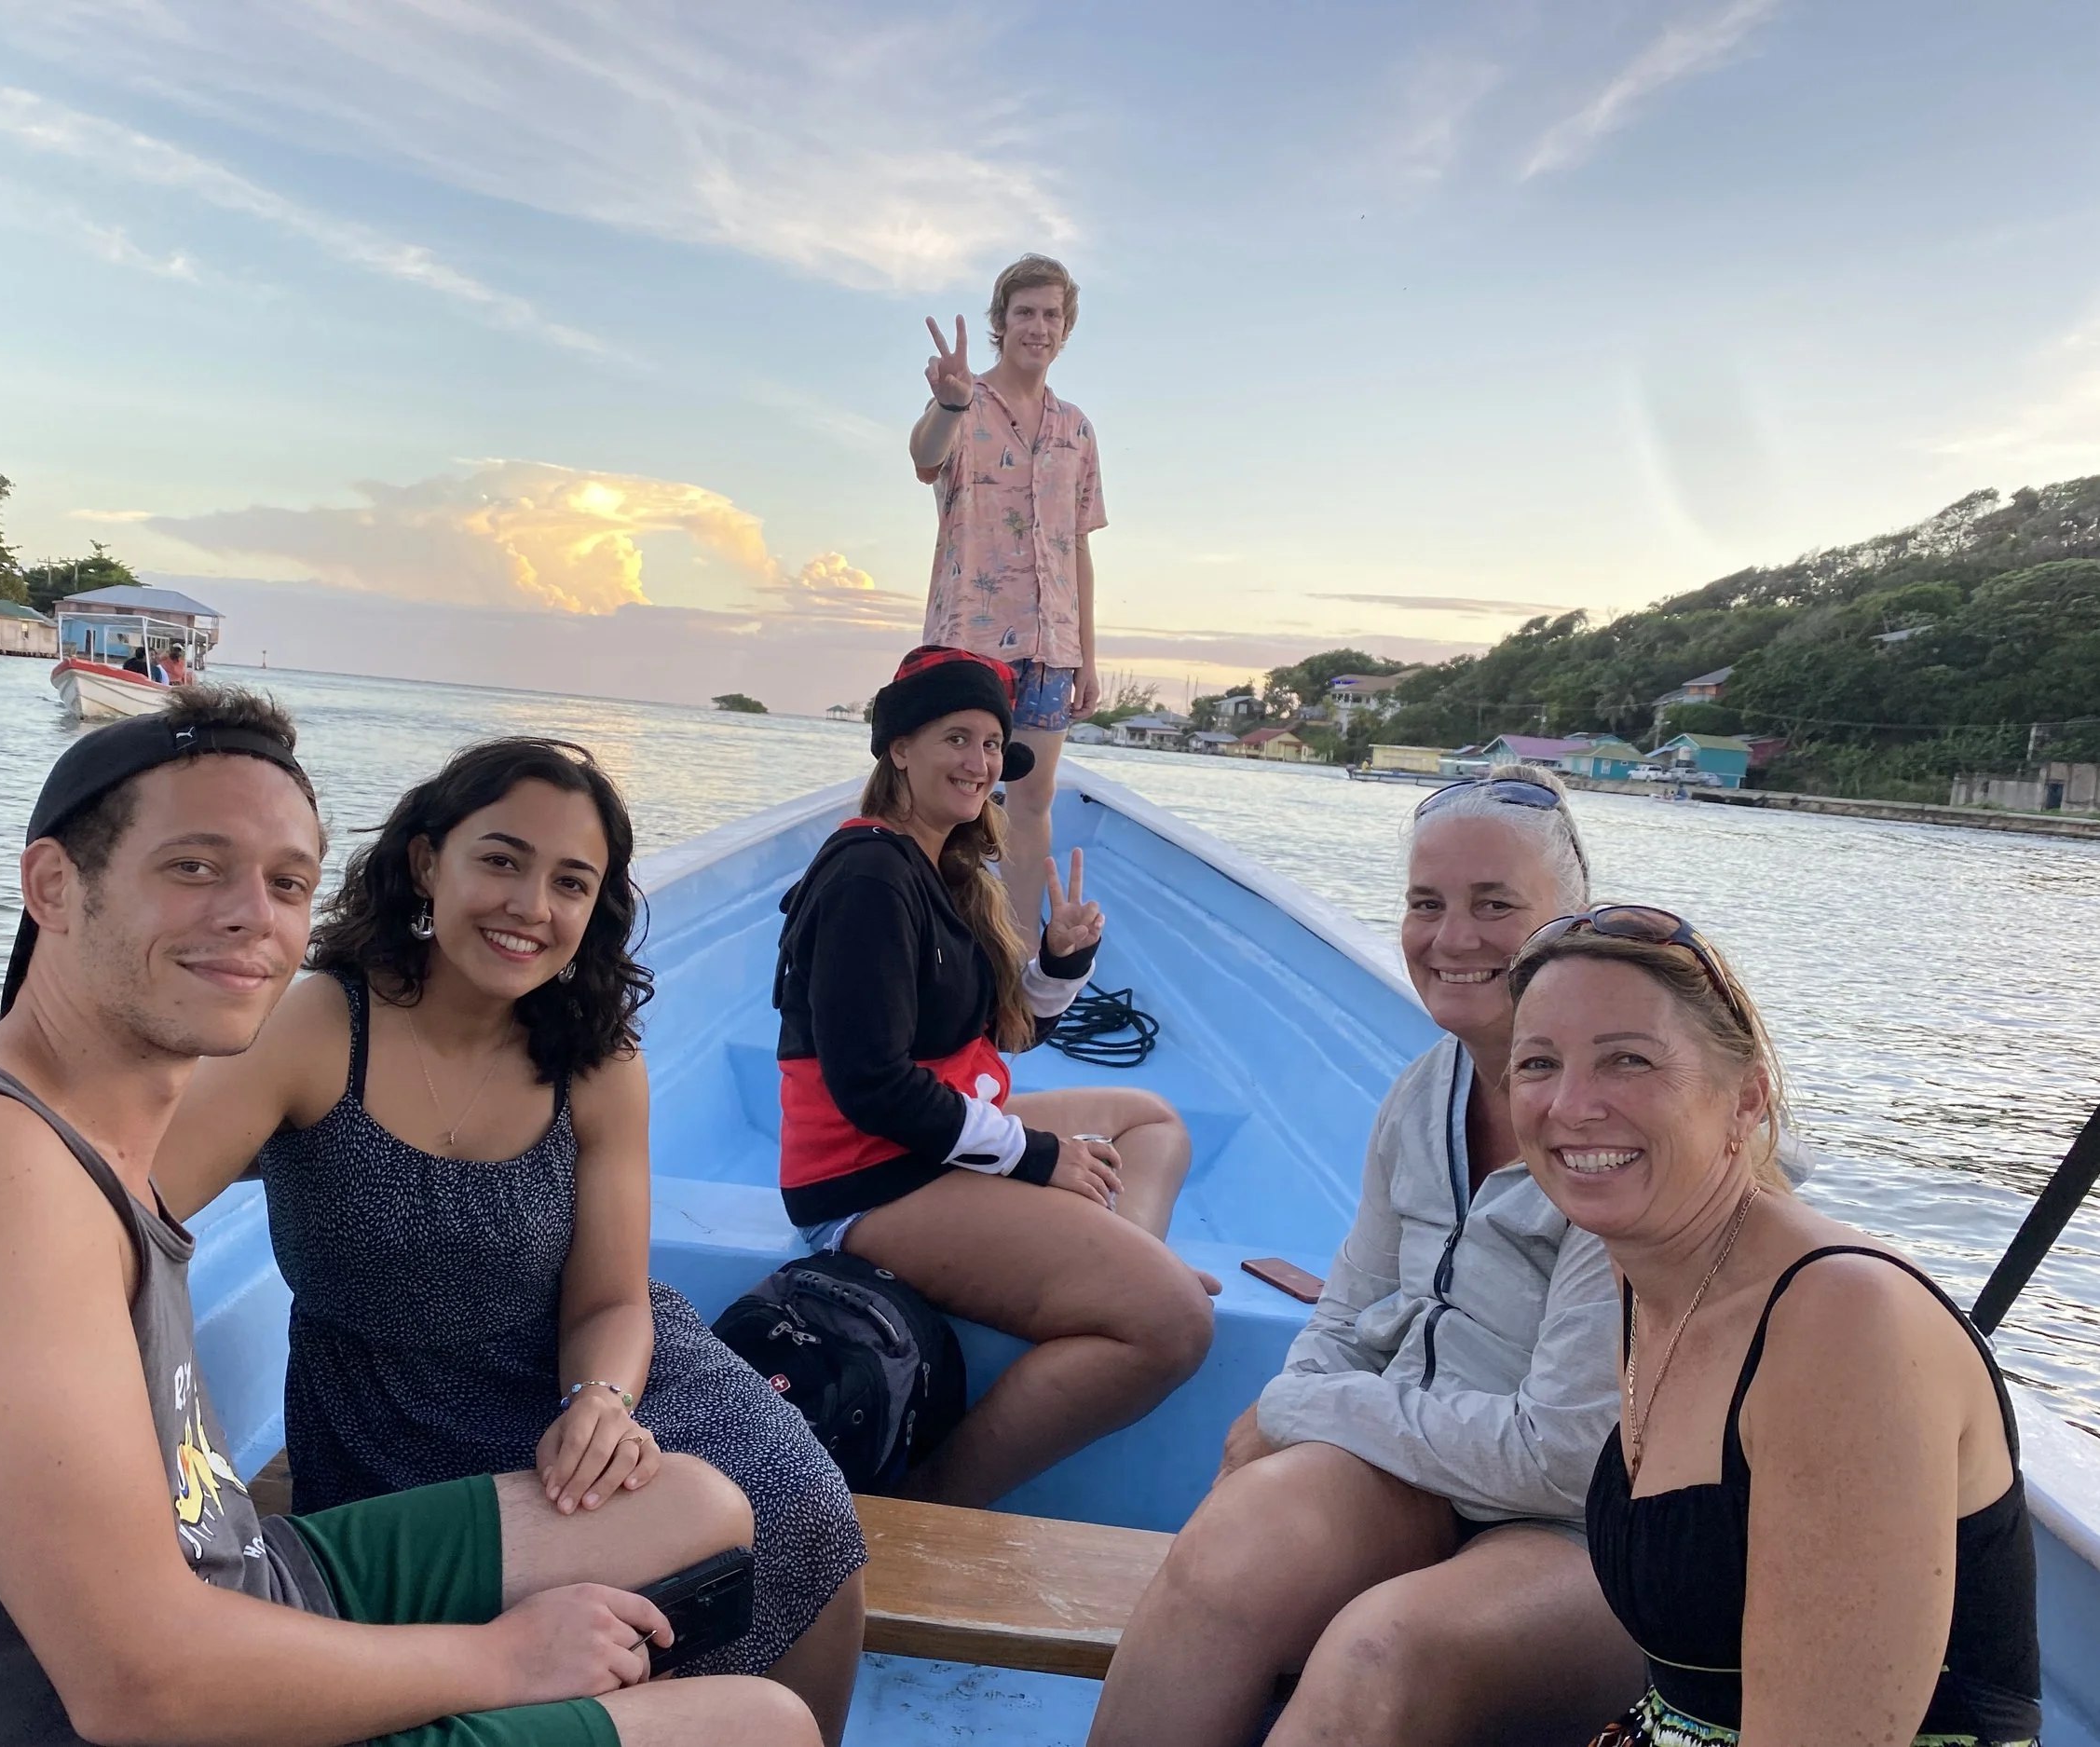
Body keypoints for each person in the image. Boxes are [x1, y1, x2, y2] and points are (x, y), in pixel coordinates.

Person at [0, 687, 816, 1747]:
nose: (248, 917)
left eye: (284, 884)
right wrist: (503, 1660)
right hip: (128, 1703)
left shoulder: (78, 1123)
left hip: (236, 1578)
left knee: (699, 1503)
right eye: (192, 866)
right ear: (54, 885)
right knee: (761, 1724)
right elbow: (141, 1688)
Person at [156, 737, 866, 1746]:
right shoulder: (320, 1025)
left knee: (803, 1505)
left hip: (591, 1371)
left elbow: (613, 1302)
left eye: (570, 882)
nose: (531, 905)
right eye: (501, 860)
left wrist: (603, 1403)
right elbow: (133, 1211)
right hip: (389, 1404)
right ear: (425, 864)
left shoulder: (594, 1060)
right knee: (635, 1559)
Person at [1089, 768, 1644, 1747]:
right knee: (1229, 1553)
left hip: (1583, 1536)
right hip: (1419, 1478)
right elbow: (1343, 1318)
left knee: (1378, 1647)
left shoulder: (1616, 1131)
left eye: (1495, 905)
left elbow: (1564, 1459)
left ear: (1573, 917)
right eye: (1426, 905)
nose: (1452, 938)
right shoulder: (1422, 1094)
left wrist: (1301, 1410)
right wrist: (1294, 1423)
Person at [1504, 906, 2042, 1746]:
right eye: (1539, 1063)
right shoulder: (1648, 1274)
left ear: (1745, 1097)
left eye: (1628, 1060)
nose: (1571, 1105)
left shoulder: (1842, 1324)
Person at [776, 645, 1214, 1508]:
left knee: (1152, 1120)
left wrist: (1062, 959)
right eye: (957, 738)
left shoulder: (939, 869)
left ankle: (1122, 1257)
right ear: (898, 747)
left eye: (991, 744)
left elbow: (1005, 1034)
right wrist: (1038, 1156)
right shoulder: (869, 875)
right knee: (1172, 1325)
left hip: (936, 1139)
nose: (980, 764)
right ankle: (933, 1505)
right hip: (870, 1177)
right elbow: (874, 1086)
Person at [911, 252, 1107, 946]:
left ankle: (1017, 960)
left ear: (1066, 328)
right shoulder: (965, 404)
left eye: (1052, 314)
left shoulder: (1078, 429)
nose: (1039, 326)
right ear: (1001, 322)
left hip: (1052, 649)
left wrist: (1086, 653)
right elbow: (924, 457)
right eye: (1025, 312)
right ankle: (922, 944)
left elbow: (1077, 545)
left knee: (1032, 802)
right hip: (969, 642)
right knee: (945, 802)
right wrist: (950, 401)